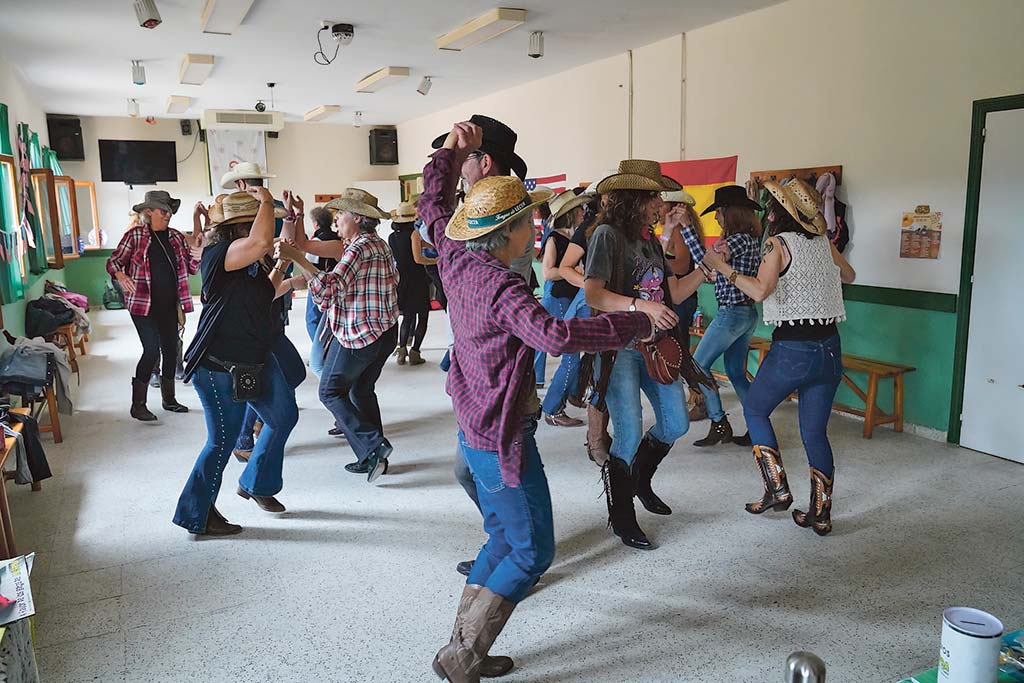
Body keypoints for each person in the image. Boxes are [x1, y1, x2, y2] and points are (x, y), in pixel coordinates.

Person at [422, 121, 657, 683]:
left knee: (504, 536)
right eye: (530, 218)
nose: (538, 226)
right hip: (501, 433)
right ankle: (460, 659)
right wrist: (629, 325)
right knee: (531, 551)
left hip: (474, 420)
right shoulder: (503, 288)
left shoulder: (455, 253)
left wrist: (450, 155)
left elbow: (432, 205)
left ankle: (463, 648)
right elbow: (554, 336)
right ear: (511, 232)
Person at [702, 179, 855, 536]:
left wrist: (721, 267)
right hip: (829, 347)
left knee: (755, 410)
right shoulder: (822, 243)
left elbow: (759, 290)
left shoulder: (776, 244)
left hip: (793, 351)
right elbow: (849, 274)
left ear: (777, 213)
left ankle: (776, 488)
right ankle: (821, 513)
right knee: (815, 433)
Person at [584, 160, 711, 550]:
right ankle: (623, 517)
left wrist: (708, 268)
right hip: (620, 349)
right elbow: (594, 294)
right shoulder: (606, 235)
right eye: (654, 196)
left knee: (676, 424)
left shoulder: (651, 240)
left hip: (658, 348)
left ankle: (639, 480)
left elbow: (672, 293)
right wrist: (641, 306)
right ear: (635, 198)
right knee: (627, 434)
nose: (661, 203)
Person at [427, 114, 532, 578]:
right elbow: (433, 212)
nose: (458, 172)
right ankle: (511, 541)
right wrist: (450, 156)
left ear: (484, 162)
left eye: (464, 161)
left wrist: (445, 160)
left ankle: (519, 551)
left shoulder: (501, 221)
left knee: (500, 472)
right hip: (478, 367)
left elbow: (432, 212)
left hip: (500, 377)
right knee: (475, 471)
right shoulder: (483, 212)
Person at [173, 189, 298, 536]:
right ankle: (197, 514)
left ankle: (256, 482)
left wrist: (284, 267)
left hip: (254, 358)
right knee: (222, 441)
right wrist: (268, 201)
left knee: (284, 415)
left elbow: (263, 295)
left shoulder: (251, 261)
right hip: (217, 366)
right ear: (240, 226)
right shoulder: (218, 255)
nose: (266, 226)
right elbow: (260, 243)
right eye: (260, 219)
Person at [277, 189, 398, 482]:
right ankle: (372, 456)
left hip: (361, 334)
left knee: (329, 391)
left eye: (341, 215)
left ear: (357, 218)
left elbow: (329, 289)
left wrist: (299, 261)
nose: (337, 221)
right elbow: (305, 245)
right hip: (384, 331)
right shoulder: (376, 244)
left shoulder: (357, 248)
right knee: (361, 390)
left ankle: (373, 445)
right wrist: (295, 222)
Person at [680, 185, 764, 447]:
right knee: (736, 373)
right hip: (746, 314)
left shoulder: (736, 240)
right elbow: (716, 271)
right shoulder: (750, 240)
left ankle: (718, 423)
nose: (716, 217)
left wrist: (686, 226)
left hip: (731, 314)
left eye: (718, 212)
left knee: (696, 365)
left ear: (730, 213)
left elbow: (704, 261)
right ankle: (758, 427)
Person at [107, 190, 201, 421]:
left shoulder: (176, 238)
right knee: (150, 350)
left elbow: (192, 267)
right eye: (163, 210)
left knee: (171, 350)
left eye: (170, 211)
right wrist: (120, 275)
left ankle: (169, 400)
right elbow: (114, 261)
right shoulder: (136, 236)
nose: (168, 215)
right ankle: (138, 405)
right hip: (142, 304)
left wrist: (199, 249)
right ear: (149, 212)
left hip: (169, 304)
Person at [231, 192, 309, 463]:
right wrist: (289, 282)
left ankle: (258, 424)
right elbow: (258, 297)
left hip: (271, 327)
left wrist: (291, 215)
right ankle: (243, 439)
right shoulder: (242, 253)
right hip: (256, 332)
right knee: (259, 387)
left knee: (294, 374)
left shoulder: (257, 248)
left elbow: (285, 241)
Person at [537, 189, 589, 427]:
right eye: (579, 209)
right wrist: (573, 271)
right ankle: (552, 409)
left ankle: (569, 397)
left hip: (569, 300)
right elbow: (547, 272)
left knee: (573, 357)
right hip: (557, 301)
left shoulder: (572, 238)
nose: (583, 212)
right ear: (570, 213)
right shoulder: (554, 239)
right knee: (571, 359)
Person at [660, 189, 709, 422]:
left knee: (681, 353)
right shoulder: (675, 231)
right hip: (682, 297)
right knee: (680, 352)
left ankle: (700, 398)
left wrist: (659, 262)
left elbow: (681, 265)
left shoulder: (678, 231)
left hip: (682, 298)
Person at [388, 201, 431, 366]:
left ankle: (401, 351)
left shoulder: (392, 237)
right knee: (423, 317)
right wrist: (436, 260)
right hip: (417, 279)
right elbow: (418, 258)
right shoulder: (414, 234)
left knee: (407, 317)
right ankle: (415, 352)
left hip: (401, 279)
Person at [304, 205, 342, 379]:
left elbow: (309, 265)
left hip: (320, 285)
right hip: (337, 286)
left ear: (316, 223)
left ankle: (320, 351)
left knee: (313, 320)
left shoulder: (317, 241)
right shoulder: (337, 238)